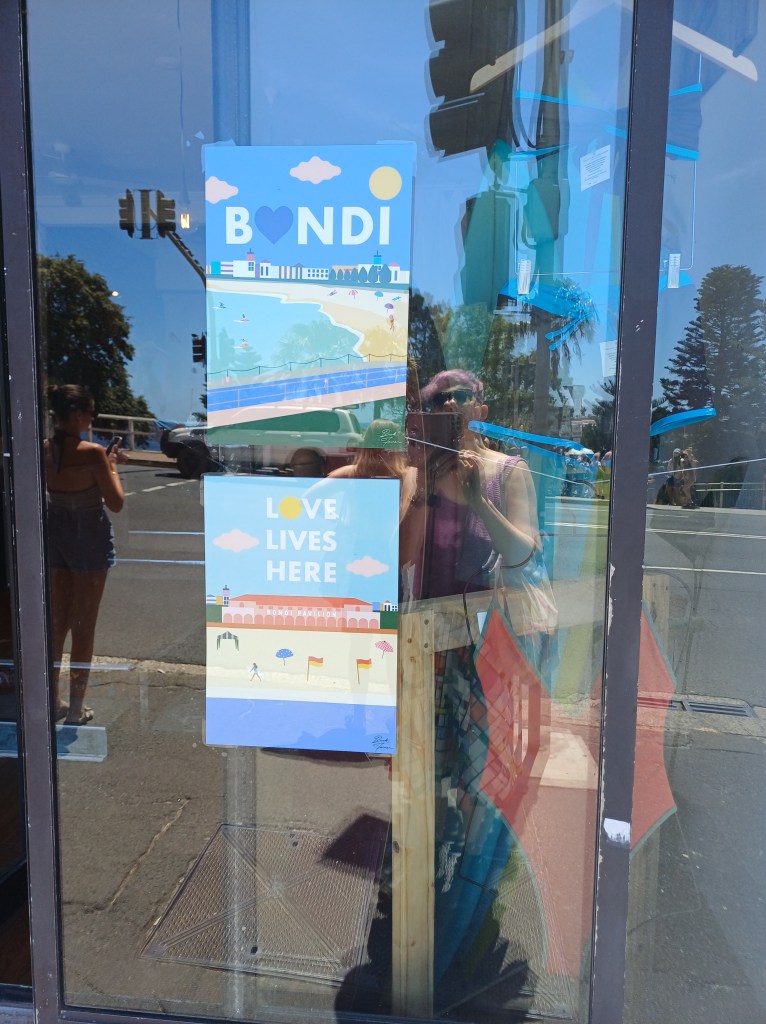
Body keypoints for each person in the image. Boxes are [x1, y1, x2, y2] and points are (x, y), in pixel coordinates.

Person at [45, 385, 126, 725]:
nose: (92, 421)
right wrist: (112, 466)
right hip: (88, 538)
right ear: (78, 415)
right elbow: (116, 502)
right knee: (84, 625)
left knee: (57, 623)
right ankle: (77, 707)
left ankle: (52, 700)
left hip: (55, 533)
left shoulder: (45, 448)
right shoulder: (92, 453)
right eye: (91, 414)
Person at [329, 419, 416, 520]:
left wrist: (336, 517)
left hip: (358, 533)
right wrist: (335, 517)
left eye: (388, 448)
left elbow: (311, 496)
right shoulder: (406, 476)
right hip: (383, 534)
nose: (385, 452)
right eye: (383, 448)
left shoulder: (353, 472)